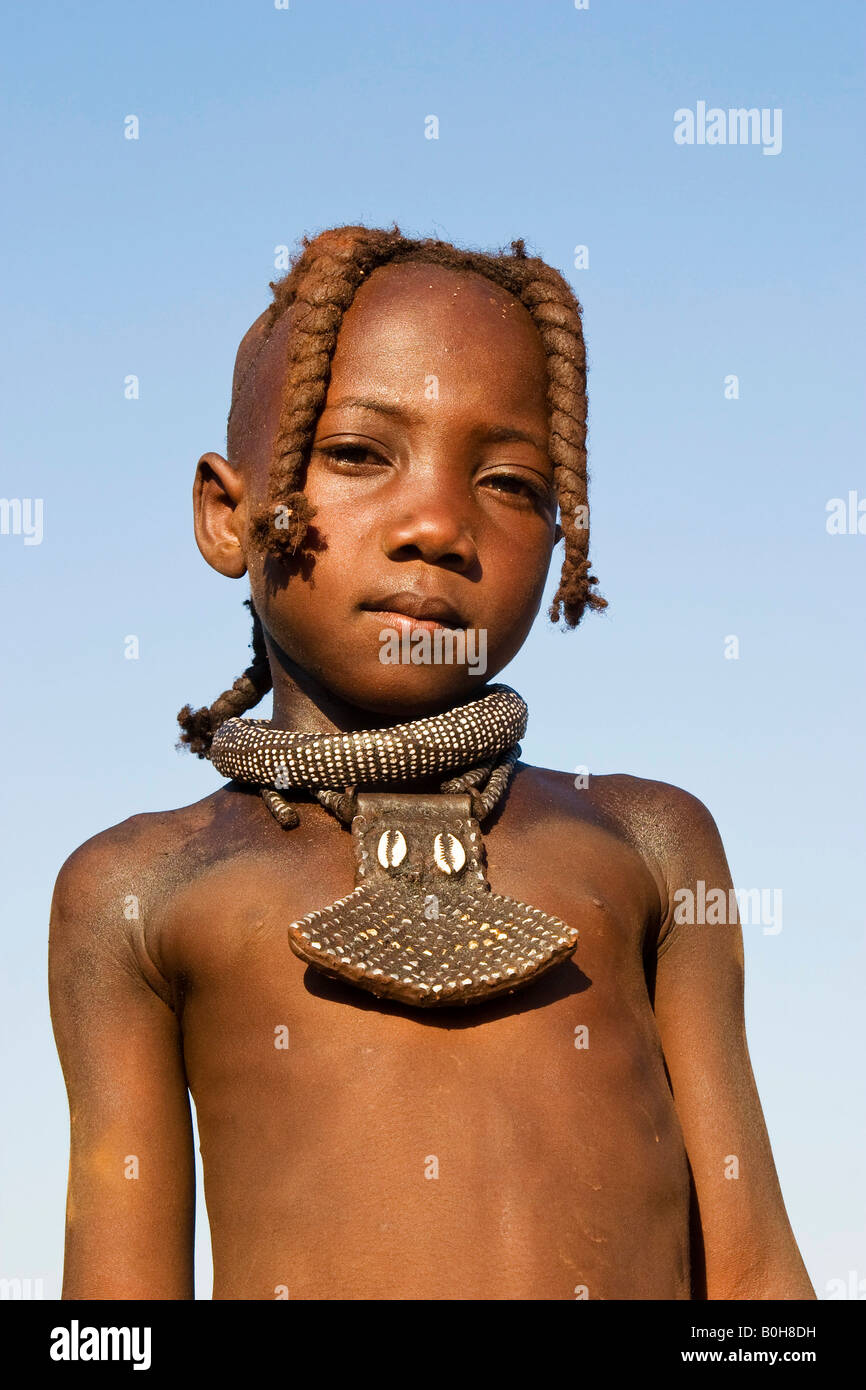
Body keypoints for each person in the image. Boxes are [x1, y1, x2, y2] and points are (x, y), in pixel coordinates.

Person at [48, 225, 814, 1300]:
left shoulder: (646, 841)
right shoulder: (137, 889)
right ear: (228, 515)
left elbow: (754, 1277)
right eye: (359, 454)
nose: (438, 524)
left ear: (560, 537)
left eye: (506, 481)